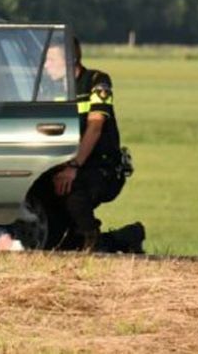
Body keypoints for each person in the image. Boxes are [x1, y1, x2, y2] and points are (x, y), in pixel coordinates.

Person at [46, 37, 144, 252]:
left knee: (72, 193)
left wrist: (73, 167)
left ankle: (94, 242)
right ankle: (125, 238)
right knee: (61, 236)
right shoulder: (51, 89)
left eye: (51, 59)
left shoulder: (97, 82)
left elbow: (95, 127)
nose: (45, 65)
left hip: (101, 167)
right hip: (70, 165)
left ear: (71, 59)